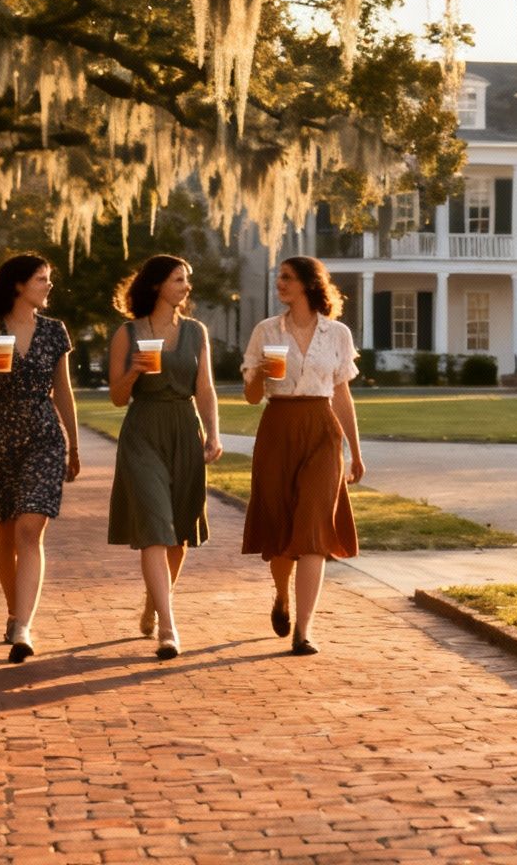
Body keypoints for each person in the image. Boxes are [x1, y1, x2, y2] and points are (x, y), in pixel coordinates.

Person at [240, 255, 365, 655]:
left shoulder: (338, 334)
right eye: (279, 276)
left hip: (321, 431)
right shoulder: (265, 331)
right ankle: (282, 596)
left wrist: (355, 452)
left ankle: (305, 630)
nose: (280, 282)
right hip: (277, 428)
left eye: (288, 278)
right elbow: (251, 397)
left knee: (314, 532)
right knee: (280, 532)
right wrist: (258, 373)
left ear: (310, 285)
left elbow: (342, 393)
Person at [0, 254, 80, 663]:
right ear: (18, 286)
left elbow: (62, 391)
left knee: (31, 529)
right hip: (0, 434)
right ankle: (14, 614)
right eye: (41, 280)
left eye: (48, 279)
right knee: (6, 536)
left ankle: (24, 625)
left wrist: (75, 443)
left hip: (44, 434)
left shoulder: (54, 332)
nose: (48, 286)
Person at [107, 255, 225, 660]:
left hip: (183, 430)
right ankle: (169, 628)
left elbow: (205, 388)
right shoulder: (128, 333)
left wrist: (214, 432)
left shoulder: (196, 331)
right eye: (179, 280)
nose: (186, 287)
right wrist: (135, 370)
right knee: (156, 525)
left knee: (179, 532)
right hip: (143, 431)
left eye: (187, 280)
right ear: (157, 285)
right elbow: (118, 397)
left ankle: (154, 602)